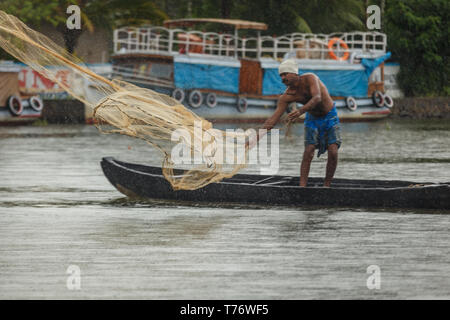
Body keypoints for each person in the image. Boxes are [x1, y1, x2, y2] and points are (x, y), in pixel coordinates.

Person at [251, 59, 342, 187]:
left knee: (333, 150)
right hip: (312, 118)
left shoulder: (310, 78)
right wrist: (257, 137)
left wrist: (300, 111)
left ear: (294, 73)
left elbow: (317, 97)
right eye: (281, 76)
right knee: (309, 150)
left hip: (330, 116)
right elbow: (273, 118)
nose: (283, 78)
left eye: (285, 74)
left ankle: (326, 185)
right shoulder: (287, 96)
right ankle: (302, 186)